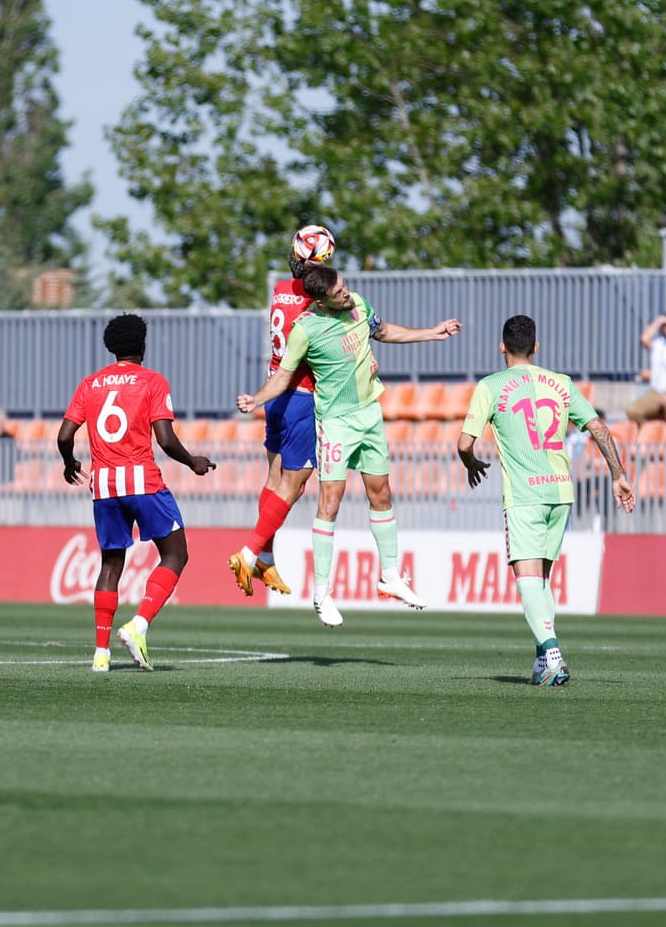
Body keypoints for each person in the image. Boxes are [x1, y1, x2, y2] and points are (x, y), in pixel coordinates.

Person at [235, 265, 462, 627]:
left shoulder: (358, 304)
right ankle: (322, 592)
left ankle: (390, 576)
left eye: (343, 285)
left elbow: (384, 331)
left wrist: (432, 334)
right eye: (338, 291)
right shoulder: (306, 329)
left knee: (382, 494)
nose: (346, 292)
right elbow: (282, 377)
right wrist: (255, 399)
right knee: (331, 501)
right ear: (321, 301)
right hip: (336, 422)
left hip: (369, 415)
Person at [457, 315, 636, 686]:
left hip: (524, 496)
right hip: (560, 494)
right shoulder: (561, 383)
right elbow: (599, 428)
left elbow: (464, 443)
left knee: (526, 578)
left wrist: (471, 462)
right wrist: (618, 474)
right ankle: (543, 662)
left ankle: (553, 652)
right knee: (542, 580)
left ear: (501, 346)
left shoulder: (490, 386)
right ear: (536, 347)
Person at [58, 313, 214, 673]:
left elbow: (65, 436)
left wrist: (70, 463)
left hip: (105, 486)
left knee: (110, 563)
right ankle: (138, 624)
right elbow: (165, 439)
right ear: (142, 345)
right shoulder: (152, 382)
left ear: (111, 347)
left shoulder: (90, 384)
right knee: (176, 555)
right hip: (143, 481)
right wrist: (193, 462)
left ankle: (100, 654)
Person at [228, 224, 335, 598]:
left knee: (274, 480)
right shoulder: (316, 302)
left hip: (275, 395)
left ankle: (266, 558)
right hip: (300, 397)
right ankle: (249, 551)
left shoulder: (279, 291)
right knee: (295, 483)